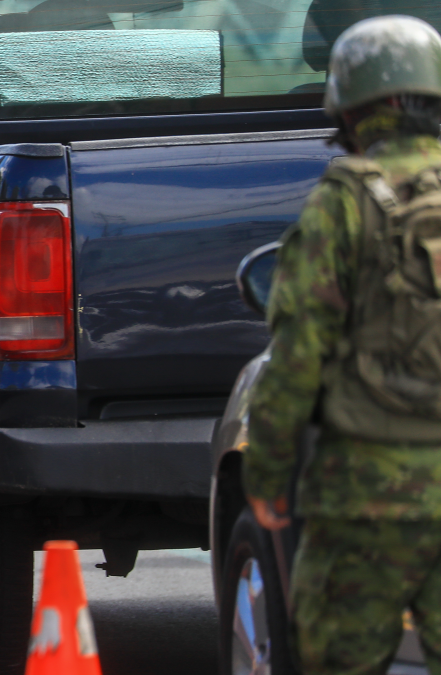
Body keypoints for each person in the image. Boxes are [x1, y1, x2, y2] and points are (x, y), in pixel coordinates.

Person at [243, 15, 441, 675]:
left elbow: (296, 356)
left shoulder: (344, 201)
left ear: (351, 107)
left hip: (363, 500)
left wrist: (267, 477)